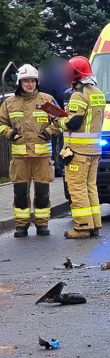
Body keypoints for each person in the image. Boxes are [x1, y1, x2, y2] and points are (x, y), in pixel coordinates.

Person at [0, 64, 62, 237]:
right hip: (20, 158)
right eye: (26, 81)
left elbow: (60, 121)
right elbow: (0, 123)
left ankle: (42, 224)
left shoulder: (46, 100)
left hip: (42, 157)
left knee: (42, 192)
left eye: (33, 81)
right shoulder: (9, 103)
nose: (30, 84)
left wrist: (49, 132)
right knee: (20, 193)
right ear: (20, 83)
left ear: (37, 82)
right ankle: (21, 225)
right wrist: (10, 133)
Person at [53, 56, 105, 239]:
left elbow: (73, 123)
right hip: (93, 150)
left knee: (77, 188)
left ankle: (82, 227)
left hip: (78, 151)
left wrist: (58, 120)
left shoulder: (78, 94)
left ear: (75, 74)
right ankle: (94, 224)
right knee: (90, 186)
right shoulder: (97, 92)